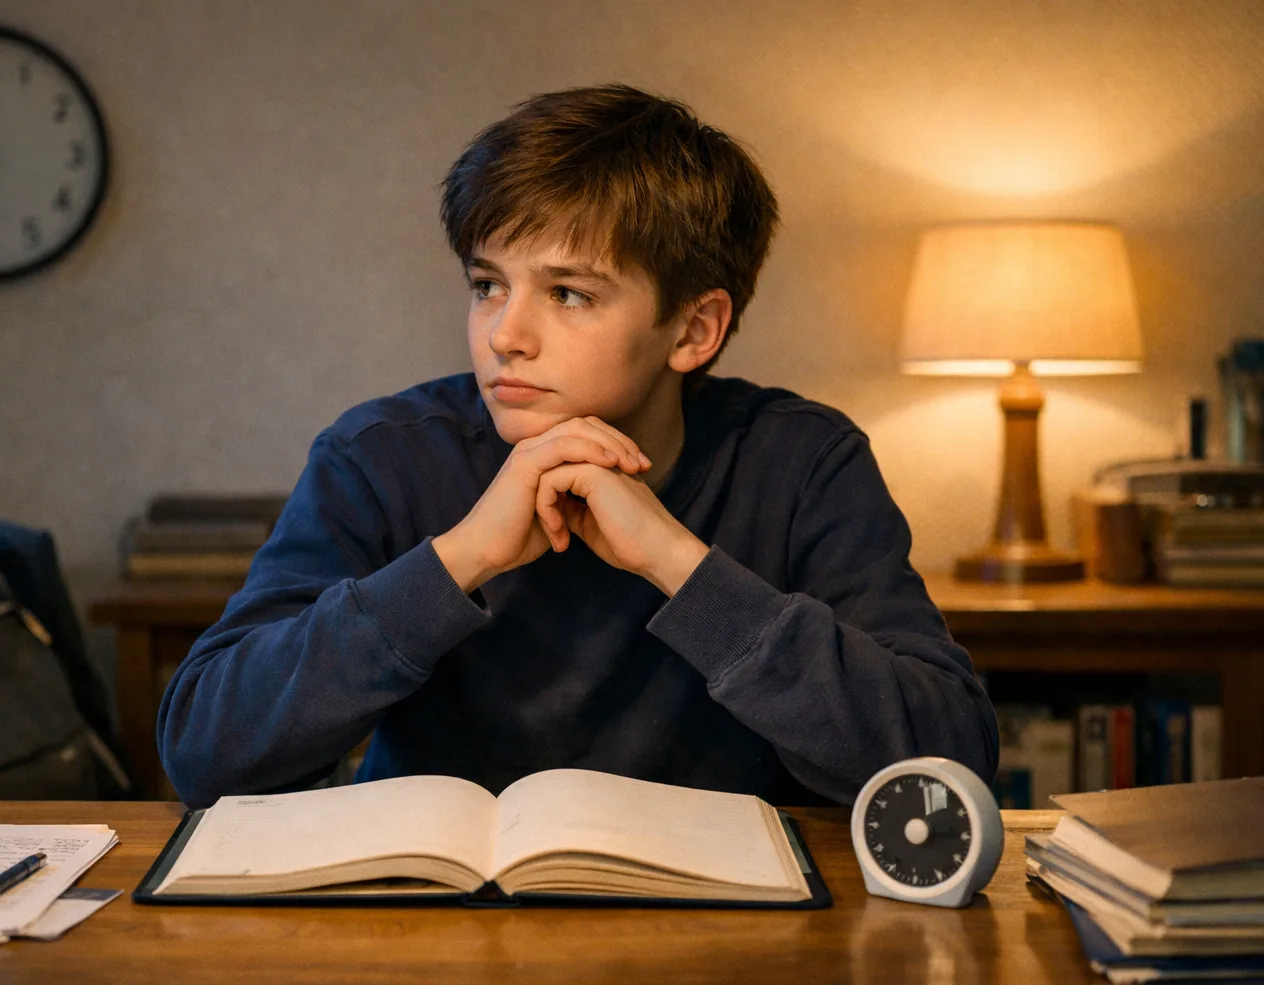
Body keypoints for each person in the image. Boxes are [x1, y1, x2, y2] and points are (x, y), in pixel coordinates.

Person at [157, 84, 998, 809]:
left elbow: (947, 762)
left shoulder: (803, 461)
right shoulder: (380, 458)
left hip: (731, 944)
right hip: (437, 934)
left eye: (567, 293)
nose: (504, 335)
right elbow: (205, 751)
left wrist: (680, 564)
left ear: (695, 328)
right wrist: (457, 561)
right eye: (487, 285)